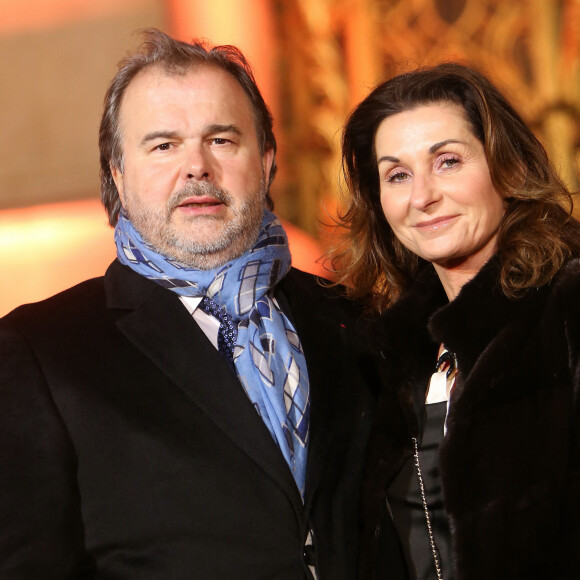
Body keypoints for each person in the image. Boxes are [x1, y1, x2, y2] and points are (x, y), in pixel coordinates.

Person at [0, 29, 374, 579]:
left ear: (267, 161)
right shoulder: (38, 352)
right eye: (163, 145)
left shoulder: (354, 321)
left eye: (221, 140)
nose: (196, 167)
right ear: (118, 178)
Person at [332, 62, 580, 579]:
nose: (423, 197)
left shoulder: (568, 307)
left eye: (447, 162)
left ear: (505, 166)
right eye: (397, 175)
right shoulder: (393, 358)